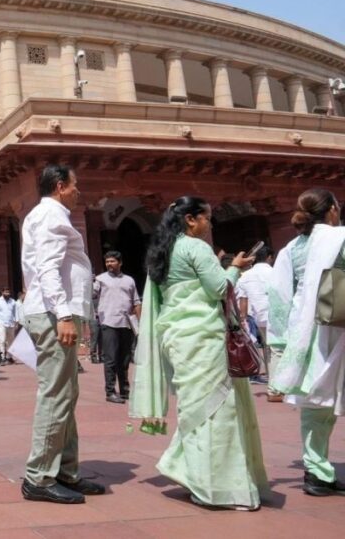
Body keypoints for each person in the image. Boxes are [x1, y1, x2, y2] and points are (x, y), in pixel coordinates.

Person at [131, 196, 267, 510]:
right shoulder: (195, 247)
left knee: (195, 407)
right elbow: (218, 288)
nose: (209, 224)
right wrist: (234, 268)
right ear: (191, 220)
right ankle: (216, 487)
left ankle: (192, 473)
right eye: (207, 218)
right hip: (204, 338)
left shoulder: (162, 252)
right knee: (218, 411)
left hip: (179, 338)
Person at [19, 164, 103, 504]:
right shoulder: (51, 216)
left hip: (54, 311)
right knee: (56, 395)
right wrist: (64, 314)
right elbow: (48, 268)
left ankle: (64, 471)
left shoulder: (47, 215)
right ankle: (39, 476)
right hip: (55, 313)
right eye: (74, 185)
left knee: (65, 394)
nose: (77, 190)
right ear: (59, 186)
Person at [269, 189, 345, 496]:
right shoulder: (339, 238)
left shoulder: (291, 249)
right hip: (337, 329)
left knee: (315, 405)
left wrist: (281, 341)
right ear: (330, 212)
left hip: (307, 332)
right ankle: (317, 471)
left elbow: (278, 293)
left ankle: (316, 471)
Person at [93, 251, 141, 404]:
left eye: (112, 261)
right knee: (111, 359)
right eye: (107, 262)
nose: (109, 264)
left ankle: (125, 390)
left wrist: (141, 322)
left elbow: (136, 302)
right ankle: (110, 391)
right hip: (109, 322)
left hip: (126, 323)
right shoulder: (100, 279)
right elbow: (91, 294)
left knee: (125, 359)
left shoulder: (129, 280)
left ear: (120, 263)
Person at [237, 246, 276, 394]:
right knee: (278, 349)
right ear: (269, 258)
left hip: (258, 316)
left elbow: (243, 299)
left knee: (267, 348)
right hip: (277, 314)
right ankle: (277, 385)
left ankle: (273, 382)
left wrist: (243, 319)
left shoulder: (246, 275)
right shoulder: (274, 272)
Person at [0, 288, 18, 364]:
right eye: (6, 292)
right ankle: (2, 357)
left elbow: (15, 312)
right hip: (1, 323)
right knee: (2, 340)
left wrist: (17, 321)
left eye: (8, 292)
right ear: (2, 292)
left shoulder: (13, 301)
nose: (7, 293)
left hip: (11, 323)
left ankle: (9, 357)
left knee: (11, 341)